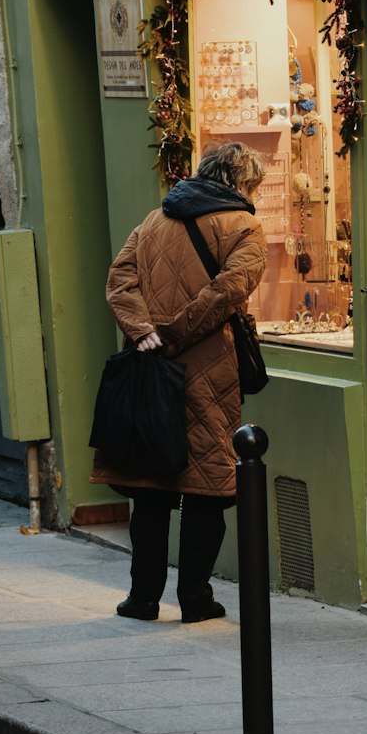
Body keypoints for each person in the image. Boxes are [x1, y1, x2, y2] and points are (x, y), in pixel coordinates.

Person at [92, 140, 268, 623]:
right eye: (253, 184)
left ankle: (142, 598)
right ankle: (195, 597)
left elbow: (118, 280)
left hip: (151, 367)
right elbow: (229, 289)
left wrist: (145, 331)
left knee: (150, 487)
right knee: (207, 490)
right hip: (209, 371)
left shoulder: (153, 220)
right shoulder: (245, 226)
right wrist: (175, 333)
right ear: (239, 182)